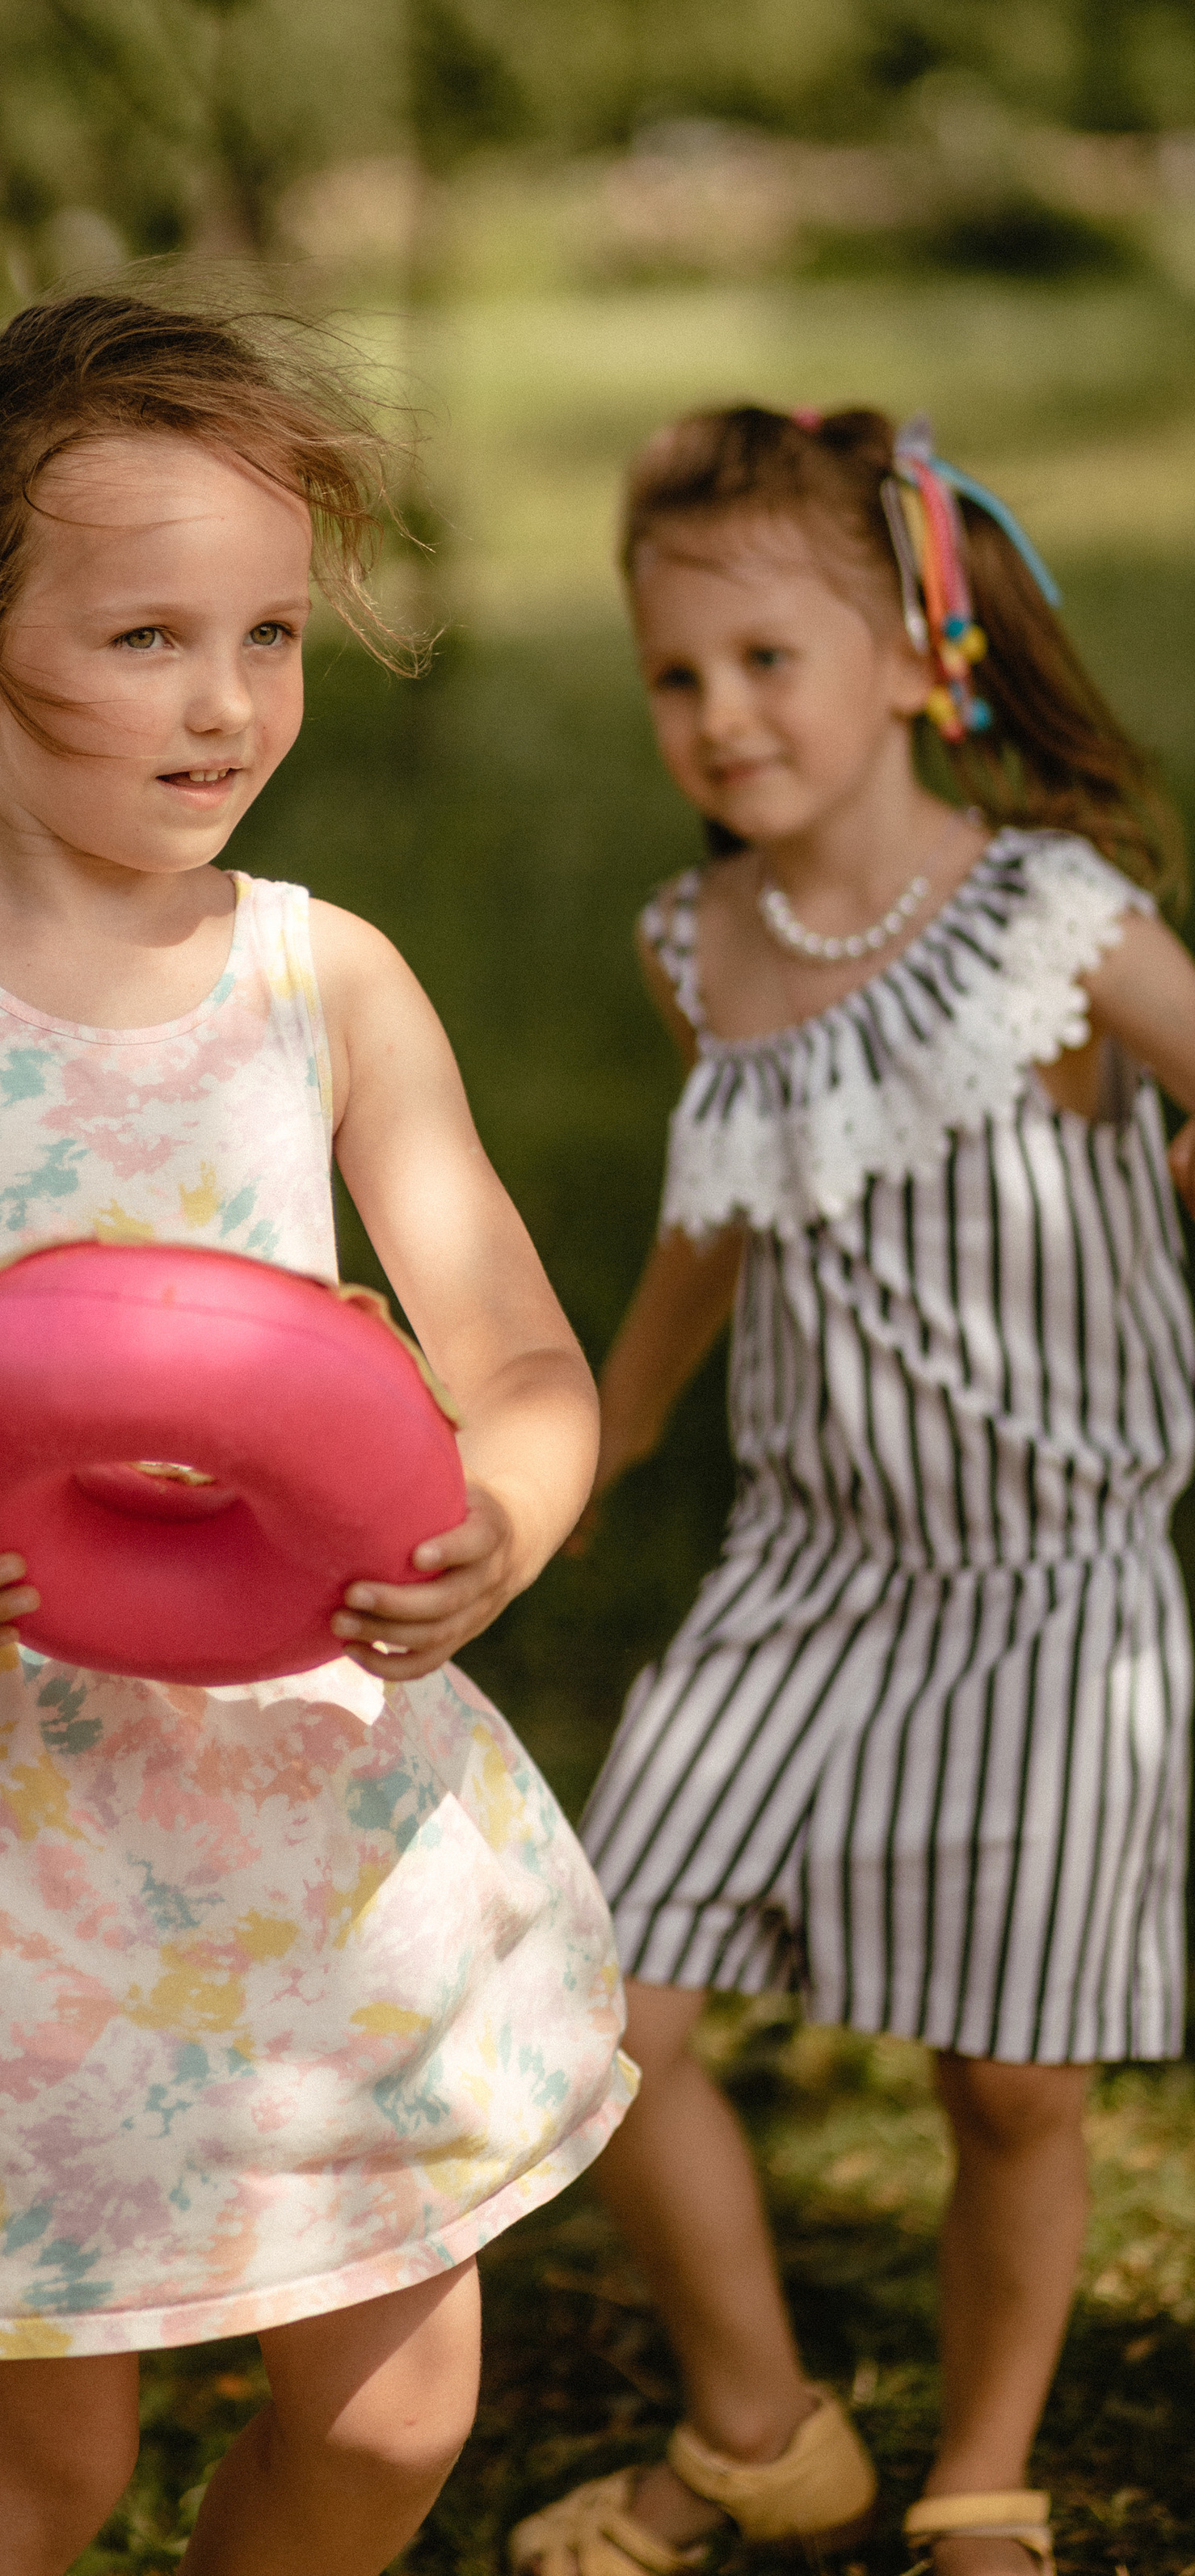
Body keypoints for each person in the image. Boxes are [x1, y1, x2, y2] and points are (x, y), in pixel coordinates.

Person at [0, 288, 633, 2576]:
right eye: (151, 635)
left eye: (269, 634)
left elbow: (530, 1369)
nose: (231, 702)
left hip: (307, 1814)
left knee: (392, 2422)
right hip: (4, 1840)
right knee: (36, 2480)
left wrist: (507, 1522)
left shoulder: (323, 980)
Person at [509, 407, 1195, 2576]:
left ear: (916, 651)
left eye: (769, 661)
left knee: (1011, 2085)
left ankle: (982, 2471)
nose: (719, 717)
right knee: (596, 2008)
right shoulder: (694, 948)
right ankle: (757, 2429)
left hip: (1051, 1589)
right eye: (677, 678)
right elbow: (717, 1223)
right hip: (802, 1575)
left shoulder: (1055, 927)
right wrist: (590, 1434)